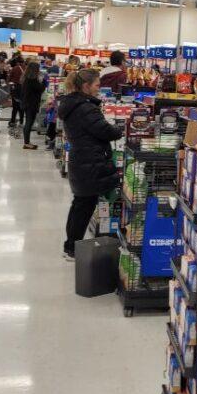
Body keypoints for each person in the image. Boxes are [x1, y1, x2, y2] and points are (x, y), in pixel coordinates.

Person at [57, 69, 124, 260]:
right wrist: (119, 129)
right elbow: (104, 131)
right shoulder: (85, 108)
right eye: (97, 85)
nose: (99, 89)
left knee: (80, 204)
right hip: (89, 162)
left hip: (83, 160)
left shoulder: (74, 104)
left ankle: (70, 245)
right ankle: (71, 249)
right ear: (86, 86)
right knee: (83, 206)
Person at [20, 61, 46, 149]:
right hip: (31, 104)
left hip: (27, 103)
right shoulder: (32, 80)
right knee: (29, 123)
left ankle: (27, 142)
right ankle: (26, 143)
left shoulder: (26, 78)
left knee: (28, 122)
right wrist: (43, 81)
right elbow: (40, 89)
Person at [8, 56, 25, 127]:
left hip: (15, 89)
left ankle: (12, 121)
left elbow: (9, 79)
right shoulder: (26, 68)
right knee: (21, 107)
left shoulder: (14, 68)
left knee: (15, 107)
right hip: (23, 89)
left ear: (17, 62)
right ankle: (21, 122)